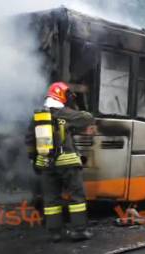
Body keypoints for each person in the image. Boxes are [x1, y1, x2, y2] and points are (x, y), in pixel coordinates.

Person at [26, 82, 95, 242]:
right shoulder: (65, 113)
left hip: (46, 165)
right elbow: (87, 118)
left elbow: (29, 141)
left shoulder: (37, 116)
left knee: (51, 200)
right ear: (63, 96)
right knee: (76, 198)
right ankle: (79, 231)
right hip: (68, 163)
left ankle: (55, 233)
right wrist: (74, 105)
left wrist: (35, 161)